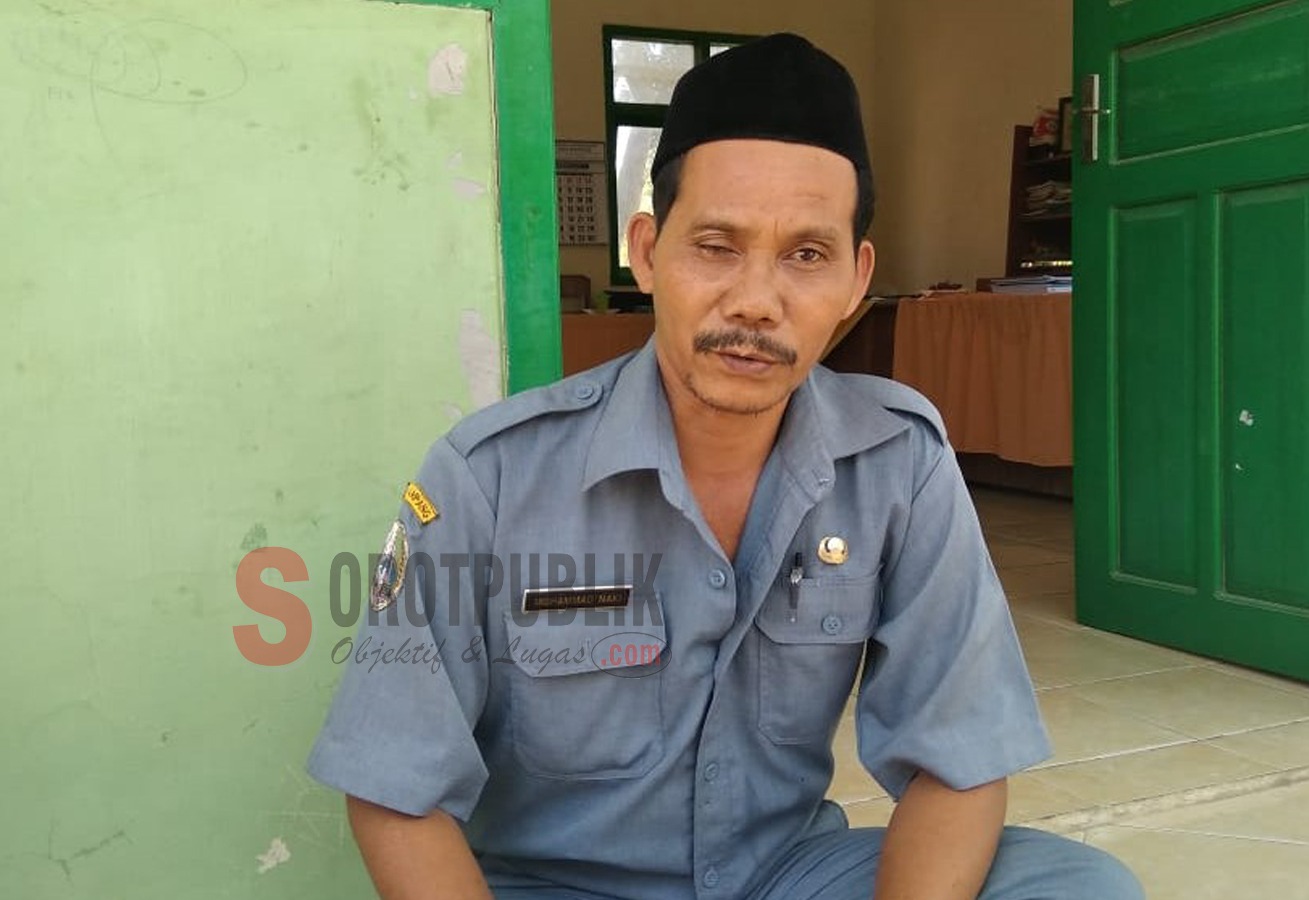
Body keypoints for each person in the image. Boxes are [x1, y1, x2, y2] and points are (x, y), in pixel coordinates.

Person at [307, 33, 1143, 900]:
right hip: (560, 886)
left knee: (1078, 886)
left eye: (806, 255)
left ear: (857, 280)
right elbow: (394, 792)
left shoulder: (897, 460)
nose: (756, 300)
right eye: (715, 245)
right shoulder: (489, 474)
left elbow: (959, 762)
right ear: (648, 251)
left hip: (785, 876)